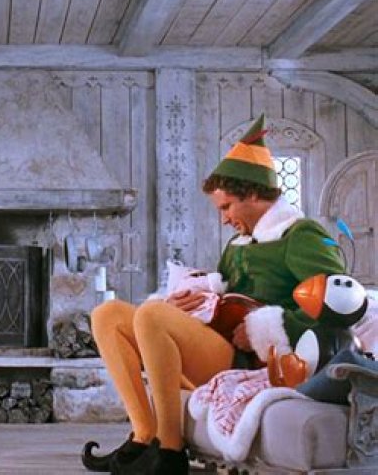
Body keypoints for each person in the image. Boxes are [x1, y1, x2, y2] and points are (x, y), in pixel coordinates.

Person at [81, 114, 345, 475]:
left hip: (257, 362)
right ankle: (143, 437)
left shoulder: (301, 236)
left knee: (152, 315)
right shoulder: (239, 243)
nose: (223, 219)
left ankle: (170, 450)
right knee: (107, 314)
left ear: (254, 194)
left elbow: (339, 301)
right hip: (223, 345)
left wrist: (266, 328)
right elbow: (225, 303)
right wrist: (185, 306)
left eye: (226, 207)